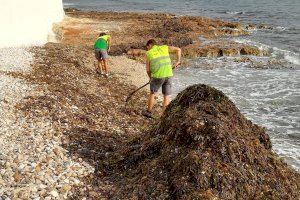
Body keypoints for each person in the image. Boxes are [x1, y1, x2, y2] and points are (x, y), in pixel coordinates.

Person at [142, 39, 181, 118]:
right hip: (169, 74)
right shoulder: (164, 47)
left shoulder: (149, 53)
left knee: (153, 93)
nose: (147, 49)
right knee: (166, 95)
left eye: (147, 47)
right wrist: (178, 61)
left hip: (158, 76)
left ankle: (148, 112)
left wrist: (150, 78)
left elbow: (148, 70)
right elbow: (178, 49)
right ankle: (164, 115)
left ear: (149, 45)